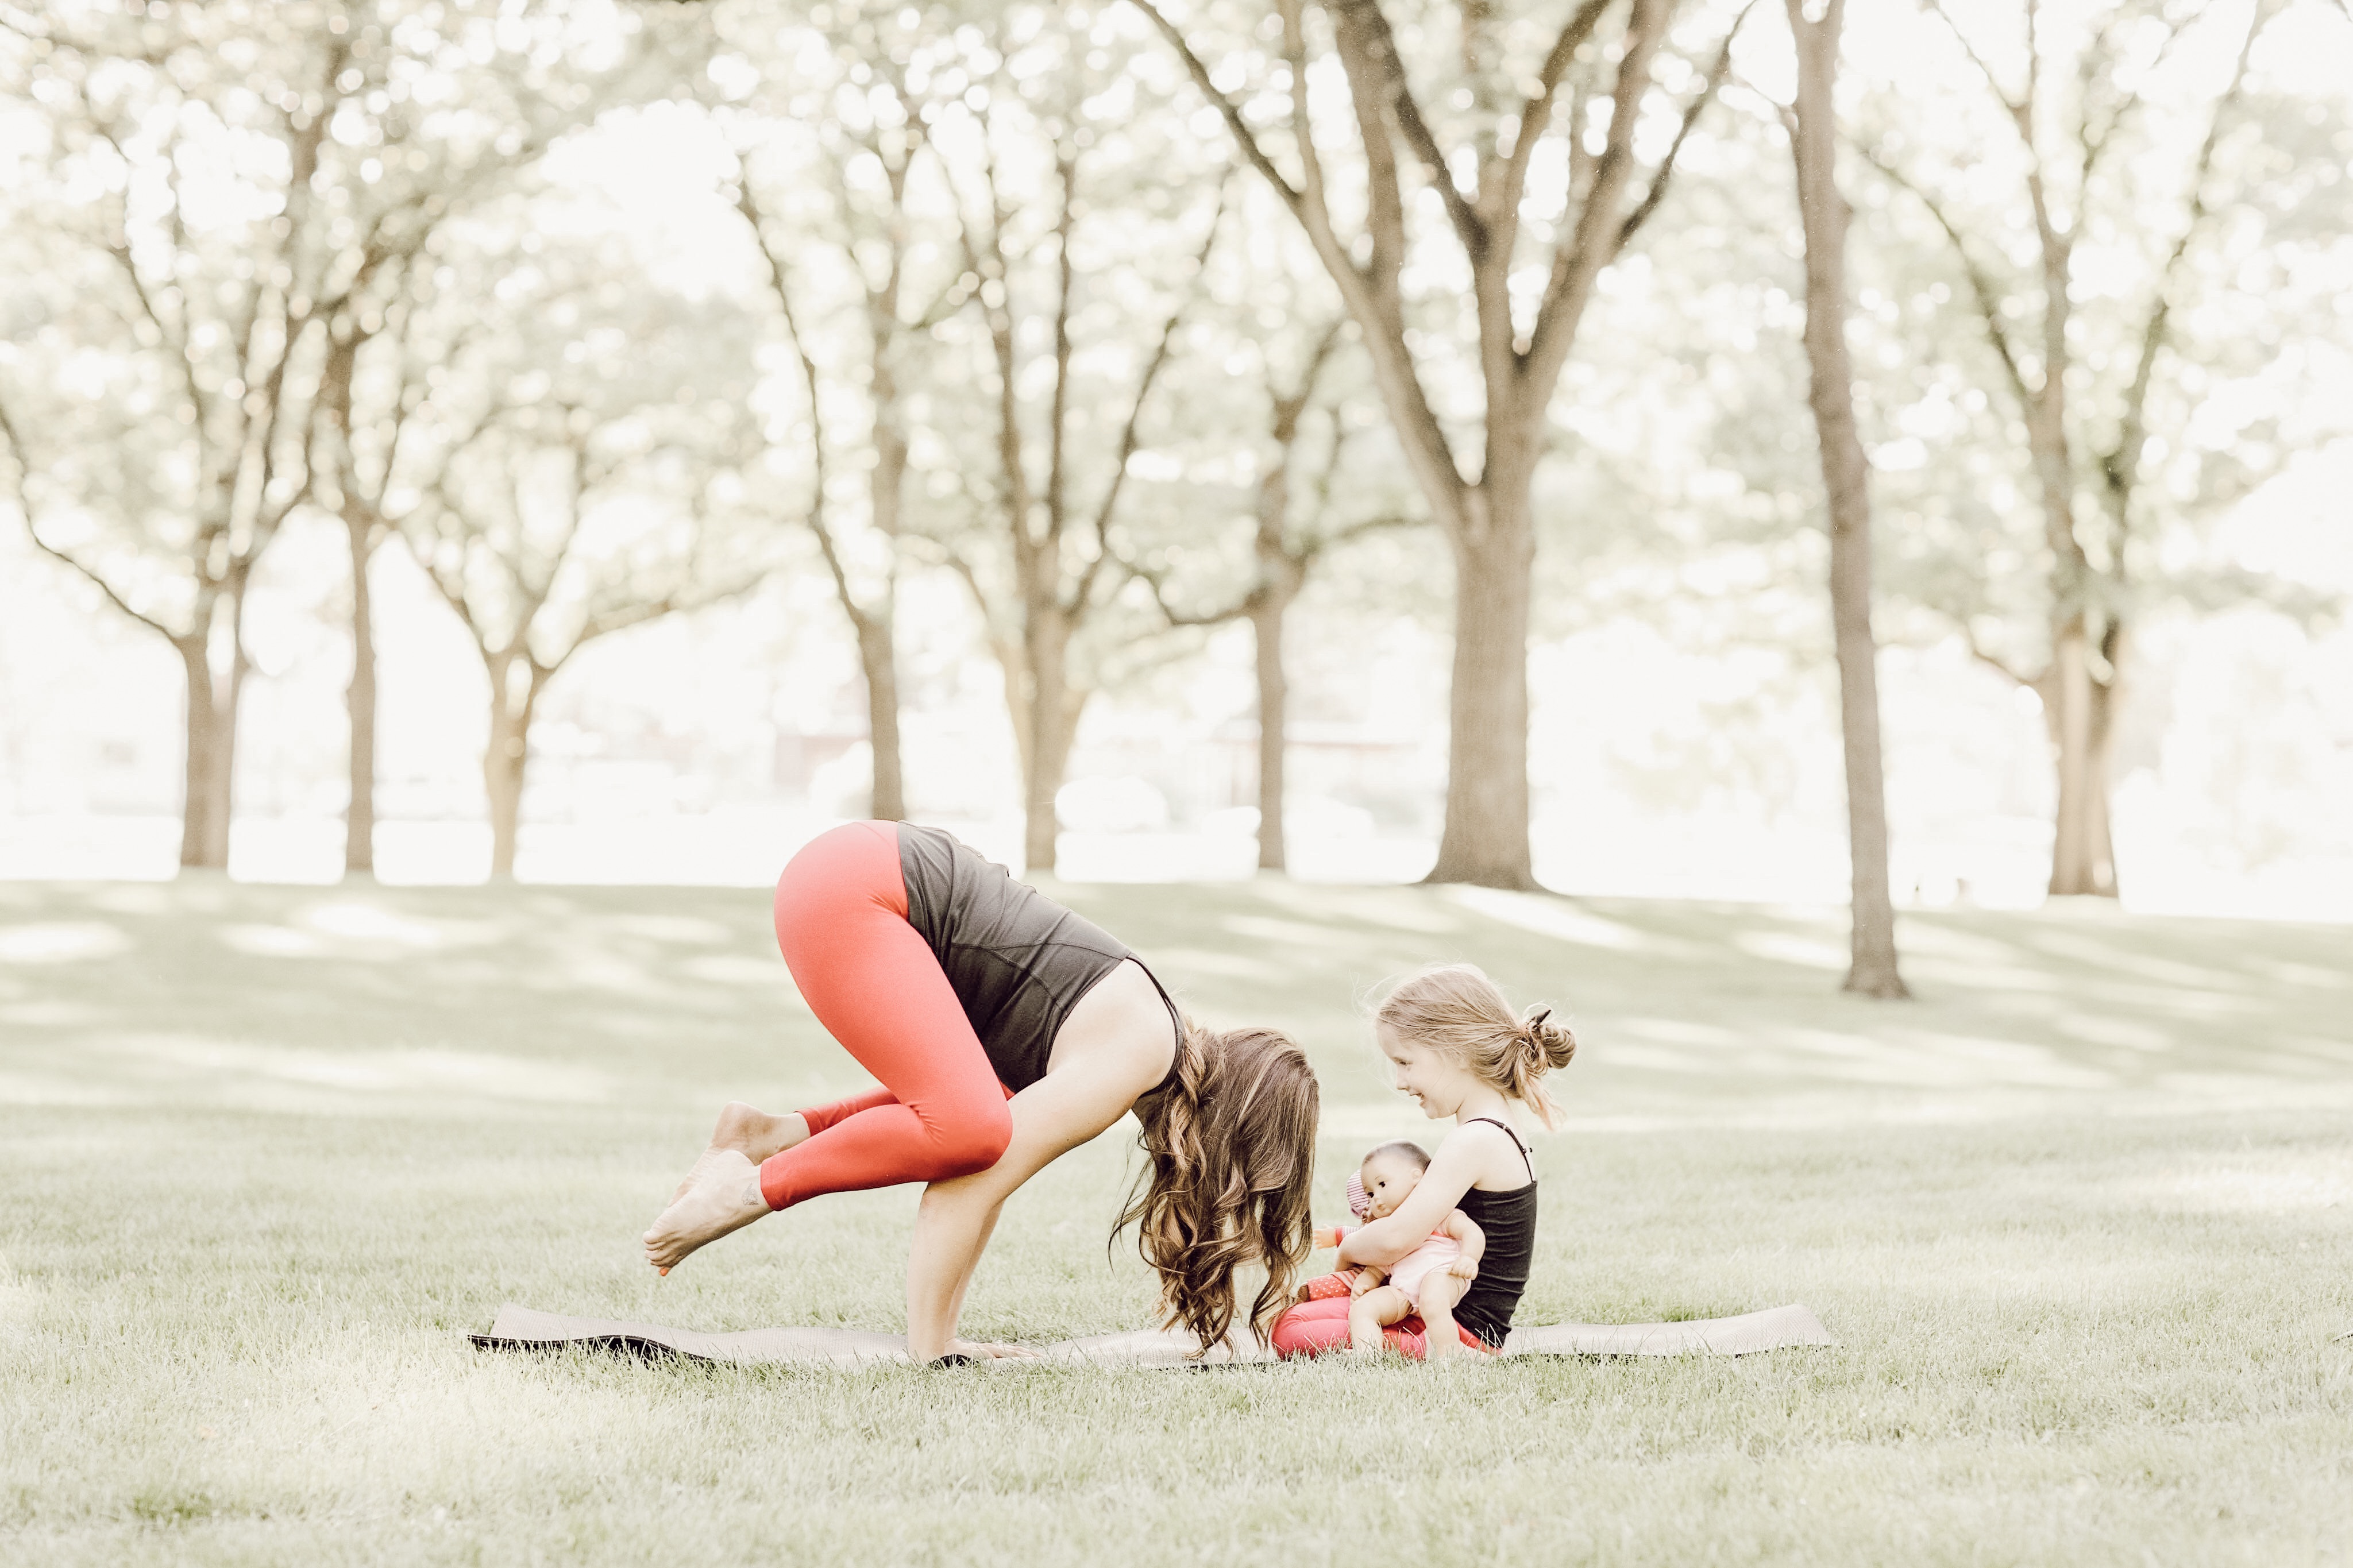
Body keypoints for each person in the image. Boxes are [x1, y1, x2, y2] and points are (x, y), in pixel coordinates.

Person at [641, 820, 1319, 1364]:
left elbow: (980, 1176)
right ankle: (746, 1189)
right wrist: (931, 1352)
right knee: (970, 1129)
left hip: (859, 871)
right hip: (862, 889)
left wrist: (947, 1336)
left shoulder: (1129, 1040)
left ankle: (768, 1136)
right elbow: (968, 1182)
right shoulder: (1136, 1053)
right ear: (1235, 1130)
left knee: (972, 1119)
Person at [1270, 964, 1573, 1361]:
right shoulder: (1492, 1130)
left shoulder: (1476, 1139)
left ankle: (1408, 1349)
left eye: (1405, 1062)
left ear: (1455, 1052)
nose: (1398, 1081)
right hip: (1429, 1307)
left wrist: (1350, 1247)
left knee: (1291, 1331)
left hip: (1456, 1331)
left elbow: (1398, 1236)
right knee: (1293, 1320)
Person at [1293, 1140, 1486, 1357]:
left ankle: (1450, 1354)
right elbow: (1379, 1266)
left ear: (1417, 1177)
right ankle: (1368, 1354)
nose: (1377, 1199)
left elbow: (1472, 1232)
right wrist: (1366, 1282)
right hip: (1404, 1291)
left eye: (1382, 1185)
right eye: (1370, 1194)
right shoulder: (1386, 1230)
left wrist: (1469, 1257)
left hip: (1444, 1275)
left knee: (1433, 1299)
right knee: (1364, 1308)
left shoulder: (1437, 1215)